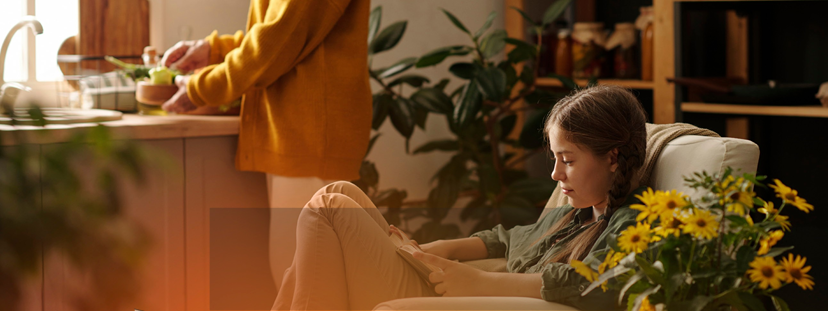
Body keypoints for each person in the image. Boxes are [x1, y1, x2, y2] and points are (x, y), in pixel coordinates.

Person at [273, 85, 648, 310]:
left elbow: (599, 283)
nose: (555, 174)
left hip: (453, 301)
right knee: (341, 191)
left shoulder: (631, 225)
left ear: (613, 157)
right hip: (447, 283)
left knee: (329, 207)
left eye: (567, 160)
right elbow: (504, 237)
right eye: (554, 158)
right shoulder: (575, 214)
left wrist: (478, 282)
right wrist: (436, 249)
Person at [158, 0, 373, 289]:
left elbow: (276, 43)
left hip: (308, 138)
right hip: (301, 135)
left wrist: (202, 87)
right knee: (305, 281)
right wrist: (217, 50)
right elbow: (283, 31)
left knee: (304, 287)